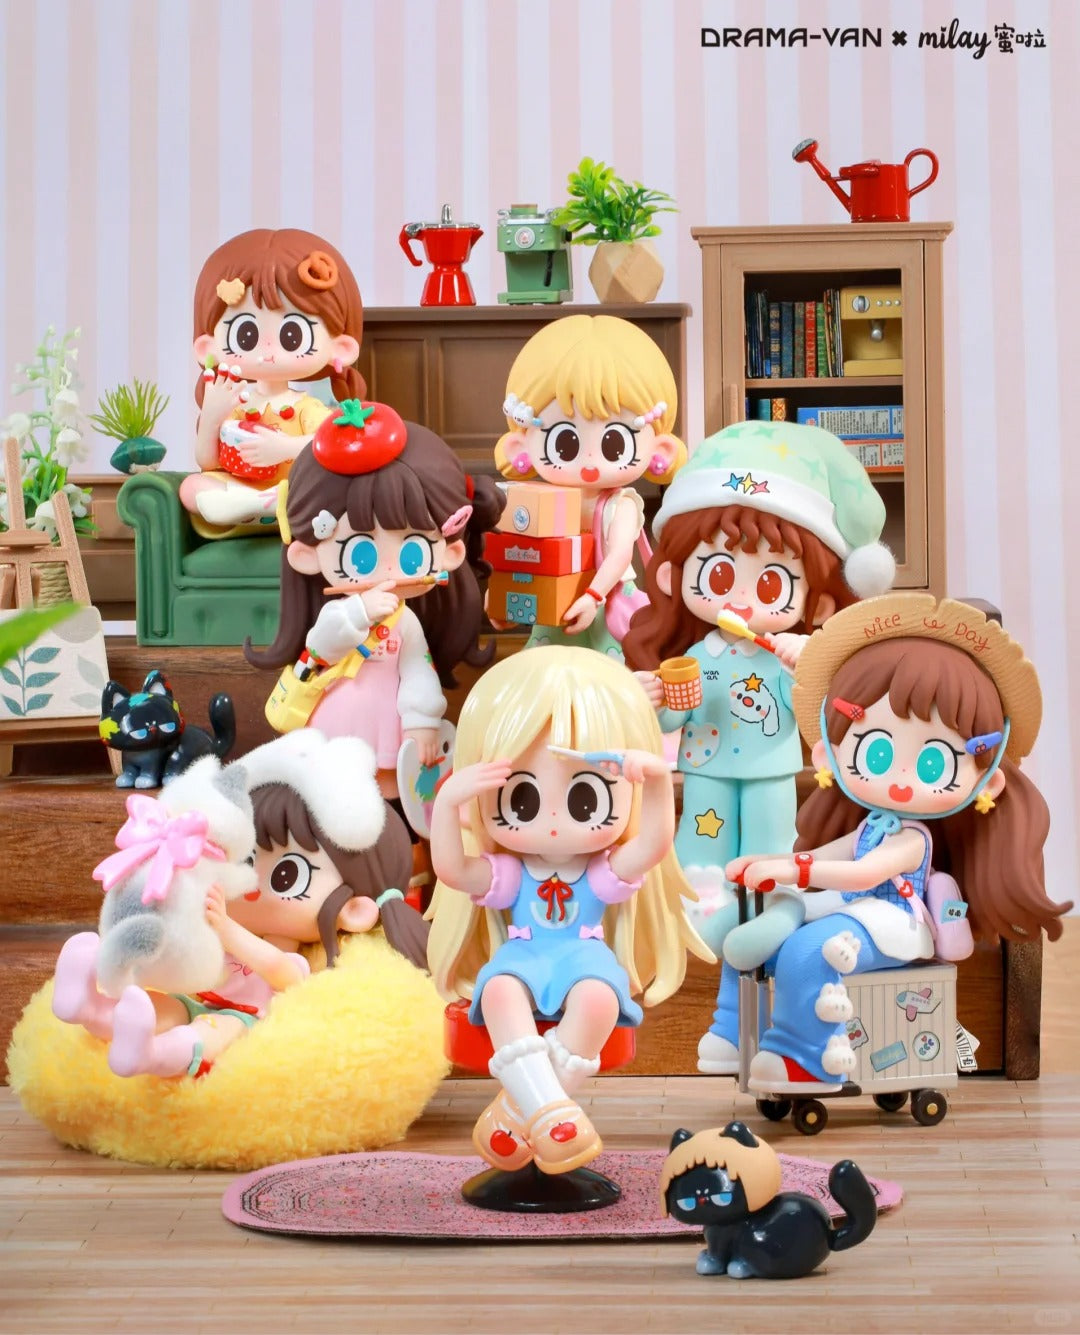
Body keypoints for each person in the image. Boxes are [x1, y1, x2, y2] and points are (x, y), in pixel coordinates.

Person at [621, 419, 895, 1074]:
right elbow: (670, 710)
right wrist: (655, 697)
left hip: (774, 773)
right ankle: (705, 924)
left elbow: (824, 710)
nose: (742, 598)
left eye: (770, 583)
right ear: (676, 576)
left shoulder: (785, 655)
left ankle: (771, 920)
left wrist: (812, 660)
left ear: (815, 597)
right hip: (707, 771)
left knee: (771, 854)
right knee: (703, 854)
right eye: (719, 574)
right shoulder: (696, 653)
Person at [726, 595, 1070, 1095]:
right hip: (856, 911)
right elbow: (830, 855)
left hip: (894, 922)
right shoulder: (873, 824)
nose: (903, 781)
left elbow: (865, 873)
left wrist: (796, 871)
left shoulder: (911, 838)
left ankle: (810, 1063)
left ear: (987, 781)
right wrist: (772, 862)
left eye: (933, 763)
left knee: (807, 950)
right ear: (827, 753)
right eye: (877, 752)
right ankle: (732, 1034)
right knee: (764, 927)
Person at [426, 646, 711, 1174]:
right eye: (523, 799)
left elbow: (652, 845)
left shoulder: (599, 870)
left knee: (599, 1000)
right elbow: (453, 870)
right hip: (524, 956)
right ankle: (554, 1117)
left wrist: (655, 784)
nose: (555, 822)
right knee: (501, 991)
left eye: (584, 800)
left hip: (584, 957)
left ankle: (518, 1115)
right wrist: (446, 804)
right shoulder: (511, 872)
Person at [52, 731, 429, 1077]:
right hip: (196, 998)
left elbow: (280, 972)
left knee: (210, 1031)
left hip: (243, 1017)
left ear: (353, 910)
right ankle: (89, 1009)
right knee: (154, 1006)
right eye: (246, 860)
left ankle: (149, 1055)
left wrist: (226, 929)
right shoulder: (221, 916)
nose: (252, 884)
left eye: (286, 876)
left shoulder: (290, 955)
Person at [244, 401, 504, 801]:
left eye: (412, 553)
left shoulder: (406, 622)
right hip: (335, 714)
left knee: (389, 784)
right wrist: (359, 612)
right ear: (307, 555)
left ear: (451, 553)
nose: (388, 571)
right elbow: (321, 645)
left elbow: (418, 669)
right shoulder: (337, 611)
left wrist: (422, 721)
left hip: (388, 718)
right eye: (360, 554)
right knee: (333, 786)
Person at [493, 314, 686, 657]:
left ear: (660, 449)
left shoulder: (621, 505)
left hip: (605, 602)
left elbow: (620, 554)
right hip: (555, 597)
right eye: (565, 443)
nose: (590, 463)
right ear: (520, 446)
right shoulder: (539, 502)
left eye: (615, 443)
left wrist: (593, 596)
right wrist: (504, 599)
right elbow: (522, 554)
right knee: (547, 668)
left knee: (609, 671)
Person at [182, 228, 364, 536]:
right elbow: (207, 462)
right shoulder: (236, 403)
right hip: (242, 491)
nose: (267, 352)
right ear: (206, 347)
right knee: (192, 487)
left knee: (332, 488)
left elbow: (332, 444)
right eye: (246, 334)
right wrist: (212, 417)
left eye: (292, 335)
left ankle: (271, 505)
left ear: (341, 347)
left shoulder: (306, 407)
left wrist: (283, 448)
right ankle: (259, 506)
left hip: (296, 489)